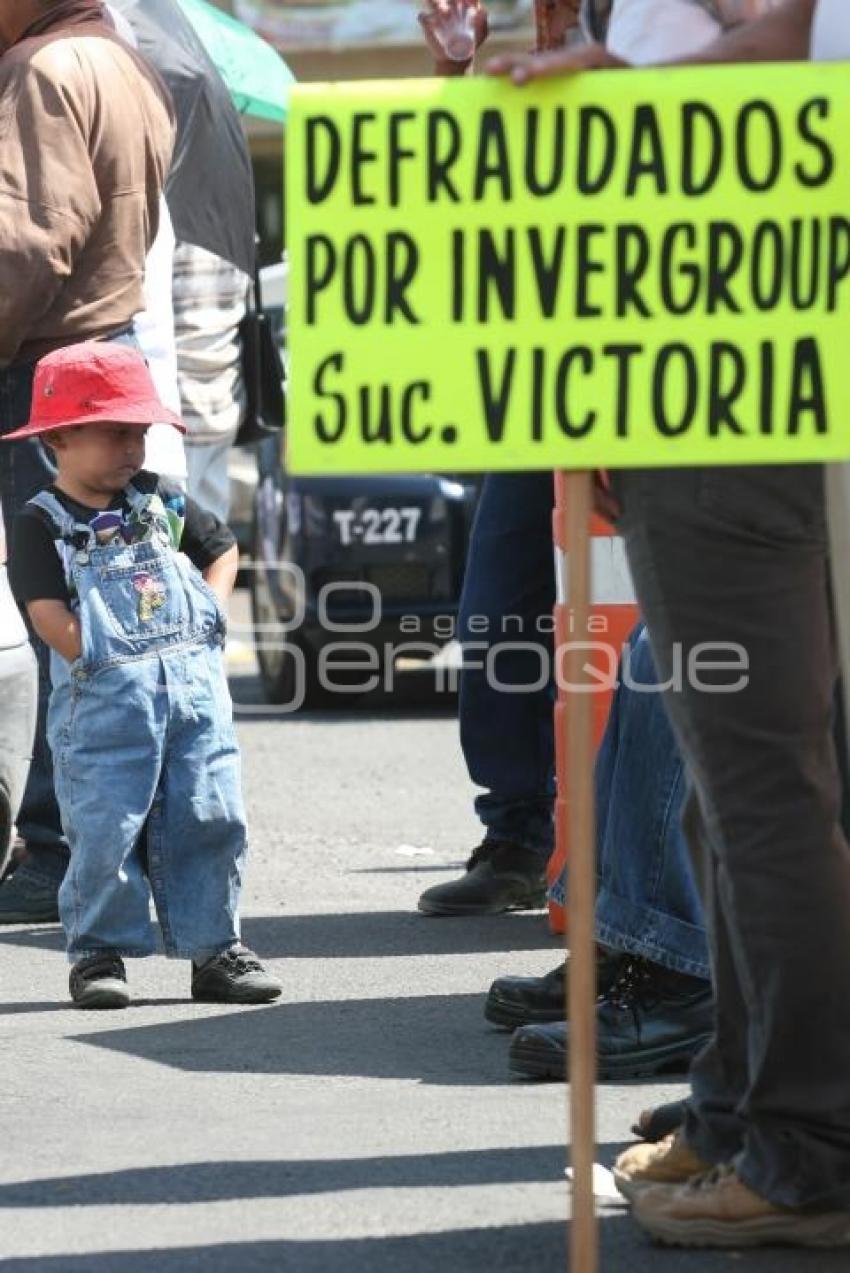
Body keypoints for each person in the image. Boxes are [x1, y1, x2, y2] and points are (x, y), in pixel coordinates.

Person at [490, 0, 850, 1249]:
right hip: (744, 316)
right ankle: (760, 1113)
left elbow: (774, 39)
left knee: (755, 784)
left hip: (728, 320)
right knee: (753, 783)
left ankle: (801, 1147)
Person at [5, 342, 281, 1009]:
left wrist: (208, 617)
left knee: (210, 813)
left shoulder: (161, 501)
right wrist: (84, 651)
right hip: (103, 706)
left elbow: (223, 549)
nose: (135, 447)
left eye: (141, 433)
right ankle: (100, 953)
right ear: (60, 435)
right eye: (117, 432)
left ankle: (216, 947)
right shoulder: (41, 522)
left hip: (192, 700)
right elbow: (43, 608)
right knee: (106, 827)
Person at [0, 0, 174, 923]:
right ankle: (114, 843)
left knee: (57, 616)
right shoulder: (128, 65)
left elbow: (23, 244)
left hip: (51, 377)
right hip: (107, 359)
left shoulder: (42, 70)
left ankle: (61, 851)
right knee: (112, 614)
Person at [172, 241, 250, 522]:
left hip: (178, 403)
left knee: (171, 538)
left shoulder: (171, 215)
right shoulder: (233, 207)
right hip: (223, 396)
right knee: (212, 535)